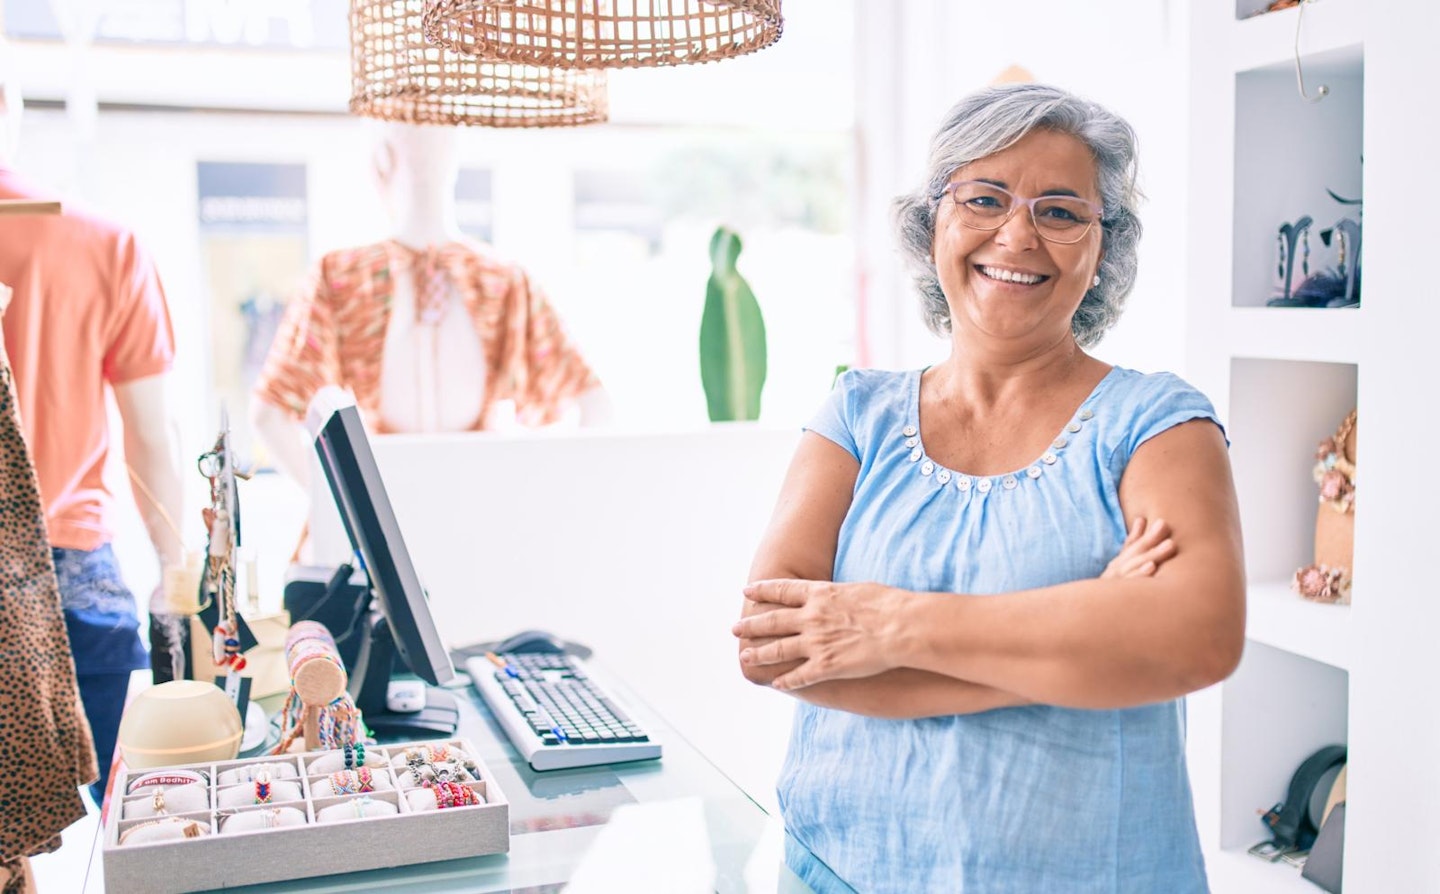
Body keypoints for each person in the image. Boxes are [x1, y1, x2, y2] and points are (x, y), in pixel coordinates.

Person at [731, 83, 1244, 893]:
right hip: (837, 871)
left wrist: (884, 624)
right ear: (931, 221)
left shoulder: (1158, 423)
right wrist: (1087, 635)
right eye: (984, 198)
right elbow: (772, 643)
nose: (1018, 234)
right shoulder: (856, 415)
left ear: (1102, 247)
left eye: (1061, 211)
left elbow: (1195, 639)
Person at [0, 55, 185, 806]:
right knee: (122, 835)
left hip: (65, 587)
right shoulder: (102, 243)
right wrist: (176, 577)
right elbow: (151, 439)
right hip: (74, 582)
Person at [251, 121, 610, 495]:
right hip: (479, 510)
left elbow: (267, 416)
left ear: (381, 162)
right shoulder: (504, 280)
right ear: (455, 159)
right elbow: (597, 407)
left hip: (397, 513)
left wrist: (341, 509)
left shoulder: (341, 277)